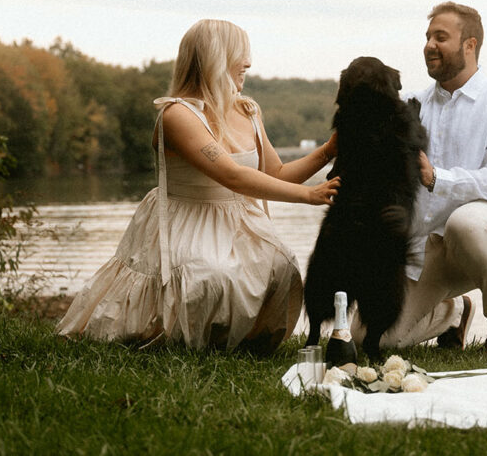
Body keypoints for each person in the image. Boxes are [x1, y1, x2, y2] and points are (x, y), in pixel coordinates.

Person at [56, 19, 340, 353]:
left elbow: (276, 173)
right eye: (241, 53)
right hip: (189, 218)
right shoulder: (176, 115)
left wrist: (330, 149)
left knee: (283, 265)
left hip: (239, 221)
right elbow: (231, 175)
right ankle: (186, 342)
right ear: (215, 57)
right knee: (211, 273)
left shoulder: (247, 110)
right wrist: (308, 195)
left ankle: (243, 345)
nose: (248, 62)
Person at [362, 1, 487, 356]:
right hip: (423, 249)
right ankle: (452, 314)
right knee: (370, 340)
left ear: (469, 45)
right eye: (427, 37)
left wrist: (438, 178)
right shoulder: (409, 104)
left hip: (483, 239)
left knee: (465, 222)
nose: (429, 45)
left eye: (441, 37)